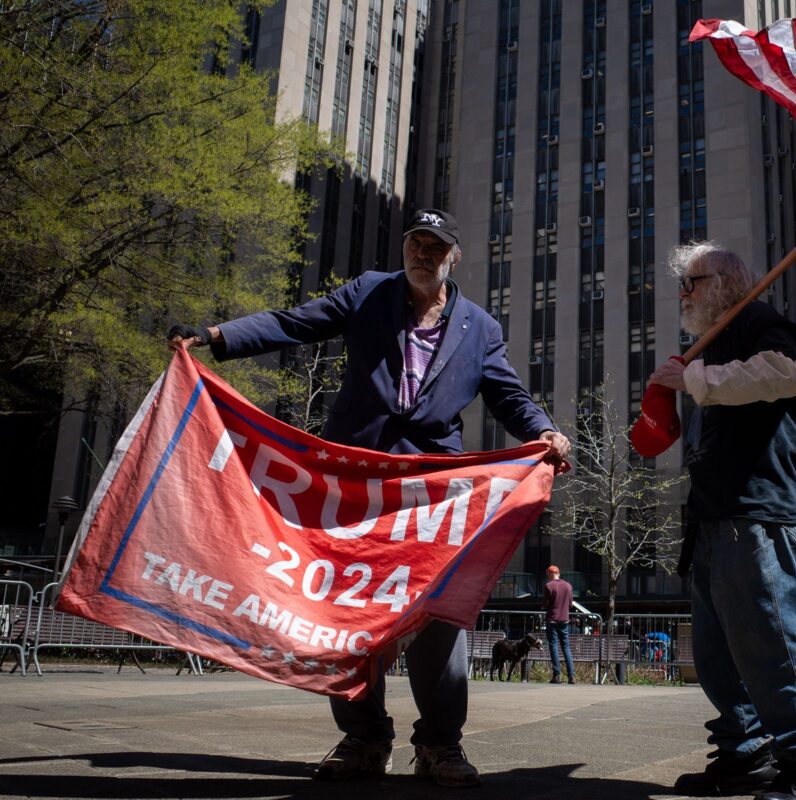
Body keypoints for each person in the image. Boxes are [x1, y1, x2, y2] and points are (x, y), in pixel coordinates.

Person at [168, 208, 571, 787]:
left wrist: (545, 431)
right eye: (416, 243)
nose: (423, 254)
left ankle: (440, 745)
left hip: (432, 494)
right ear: (405, 248)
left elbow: (508, 396)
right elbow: (296, 321)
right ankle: (362, 739)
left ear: (453, 256)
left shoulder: (479, 327)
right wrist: (215, 336)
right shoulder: (368, 292)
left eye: (436, 246)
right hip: (353, 485)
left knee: (438, 614)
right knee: (348, 612)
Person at [648, 242, 796, 800]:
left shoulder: (761, 320)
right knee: (716, 650)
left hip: (758, 507)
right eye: (681, 285)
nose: (683, 295)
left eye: (692, 282)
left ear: (726, 283)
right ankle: (746, 750)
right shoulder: (716, 339)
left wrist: (693, 380)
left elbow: (782, 375)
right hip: (715, 513)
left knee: (770, 635)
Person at [542, 565, 575, 684]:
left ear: (550, 574)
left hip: (552, 619)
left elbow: (545, 604)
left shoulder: (548, 586)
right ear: (558, 573)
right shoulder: (568, 586)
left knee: (554, 646)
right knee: (566, 647)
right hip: (564, 619)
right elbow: (571, 604)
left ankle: (556, 675)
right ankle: (572, 676)